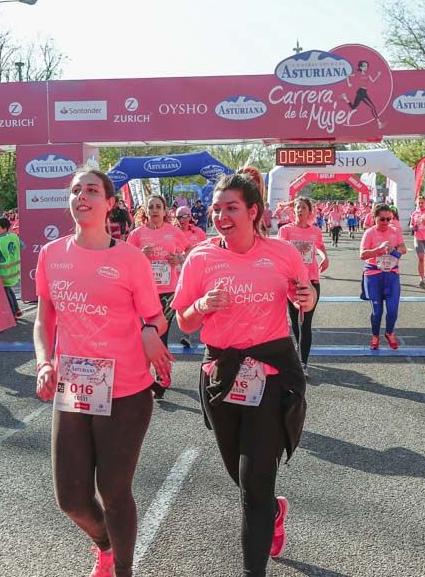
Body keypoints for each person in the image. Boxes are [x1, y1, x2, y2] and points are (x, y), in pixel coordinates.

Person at [34, 168, 173, 577]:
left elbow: (156, 317)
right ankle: (106, 546)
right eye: (76, 190)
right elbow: (44, 319)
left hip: (126, 390)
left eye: (92, 190)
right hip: (75, 386)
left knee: (114, 491)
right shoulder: (51, 255)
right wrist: (44, 361)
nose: (82, 196)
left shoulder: (129, 258)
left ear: (109, 204)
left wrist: (150, 332)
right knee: (71, 498)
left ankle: (123, 570)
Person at [173, 172, 314, 576]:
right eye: (217, 209)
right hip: (222, 373)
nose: (221, 216)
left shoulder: (283, 253)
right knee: (241, 476)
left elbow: (304, 296)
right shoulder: (200, 258)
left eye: (231, 208)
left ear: (253, 211)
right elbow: (183, 322)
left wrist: (308, 297)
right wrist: (201, 306)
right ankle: (273, 510)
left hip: (270, 373)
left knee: (254, 485)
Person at [127, 194, 191, 398]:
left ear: (164, 211)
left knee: (159, 334)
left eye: (158, 207)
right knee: (143, 335)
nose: (154, 210)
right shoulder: (137, 234)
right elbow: (125, 259)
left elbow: (190, 250)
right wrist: (140, 255)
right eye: (151, 207)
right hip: (143, 291)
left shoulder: (173, 232)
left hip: (168, 292)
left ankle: (162, 375)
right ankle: (145, 376)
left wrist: (179, 258)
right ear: (146, 211)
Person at [277, 197, 328, 374]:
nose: (300, 210)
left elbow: (320, 246)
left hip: (311, 280)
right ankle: (299, 347)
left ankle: (303, 363)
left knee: (305, 322)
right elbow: (279, 251)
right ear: (294, 210)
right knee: (295, 320)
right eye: (297, 207)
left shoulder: (315, 231)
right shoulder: (286, 230)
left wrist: (325, 257)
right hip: (291, 282)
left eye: (303, 207)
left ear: (310, 211)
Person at [360, 203, 407, 350]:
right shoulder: (369, 233)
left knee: (392, 310)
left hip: (391, 274)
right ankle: (375, 336)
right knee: (377, 311)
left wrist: (394, 249)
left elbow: (403, 249)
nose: (386, 222)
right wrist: (378, 250)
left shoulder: (395, 231)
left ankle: (389, 332)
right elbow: (362, 254)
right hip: (373, 274)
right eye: (382, 219)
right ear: (374, 218)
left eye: (389, 219)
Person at [0, 217, 23, 319]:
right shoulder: (14, 236)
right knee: (9, 290)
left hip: (3, 273)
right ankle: (16, 309)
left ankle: (12, 313)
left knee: (6, 293)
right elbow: (23, 246)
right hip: (14, 271)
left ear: (5, 228)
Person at [341, 60, 385, 129]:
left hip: (364, 92)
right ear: (360, 67)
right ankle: (379, 123)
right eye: (364, 66)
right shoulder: (358, 74)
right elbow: (347, 75)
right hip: (361, 92)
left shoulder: (368, 74)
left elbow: (373, 81)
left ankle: (345, 98)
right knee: (372, 107)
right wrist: (348, 83)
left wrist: (378, 75)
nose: (366, 67)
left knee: (353, 107)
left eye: (366, 66)